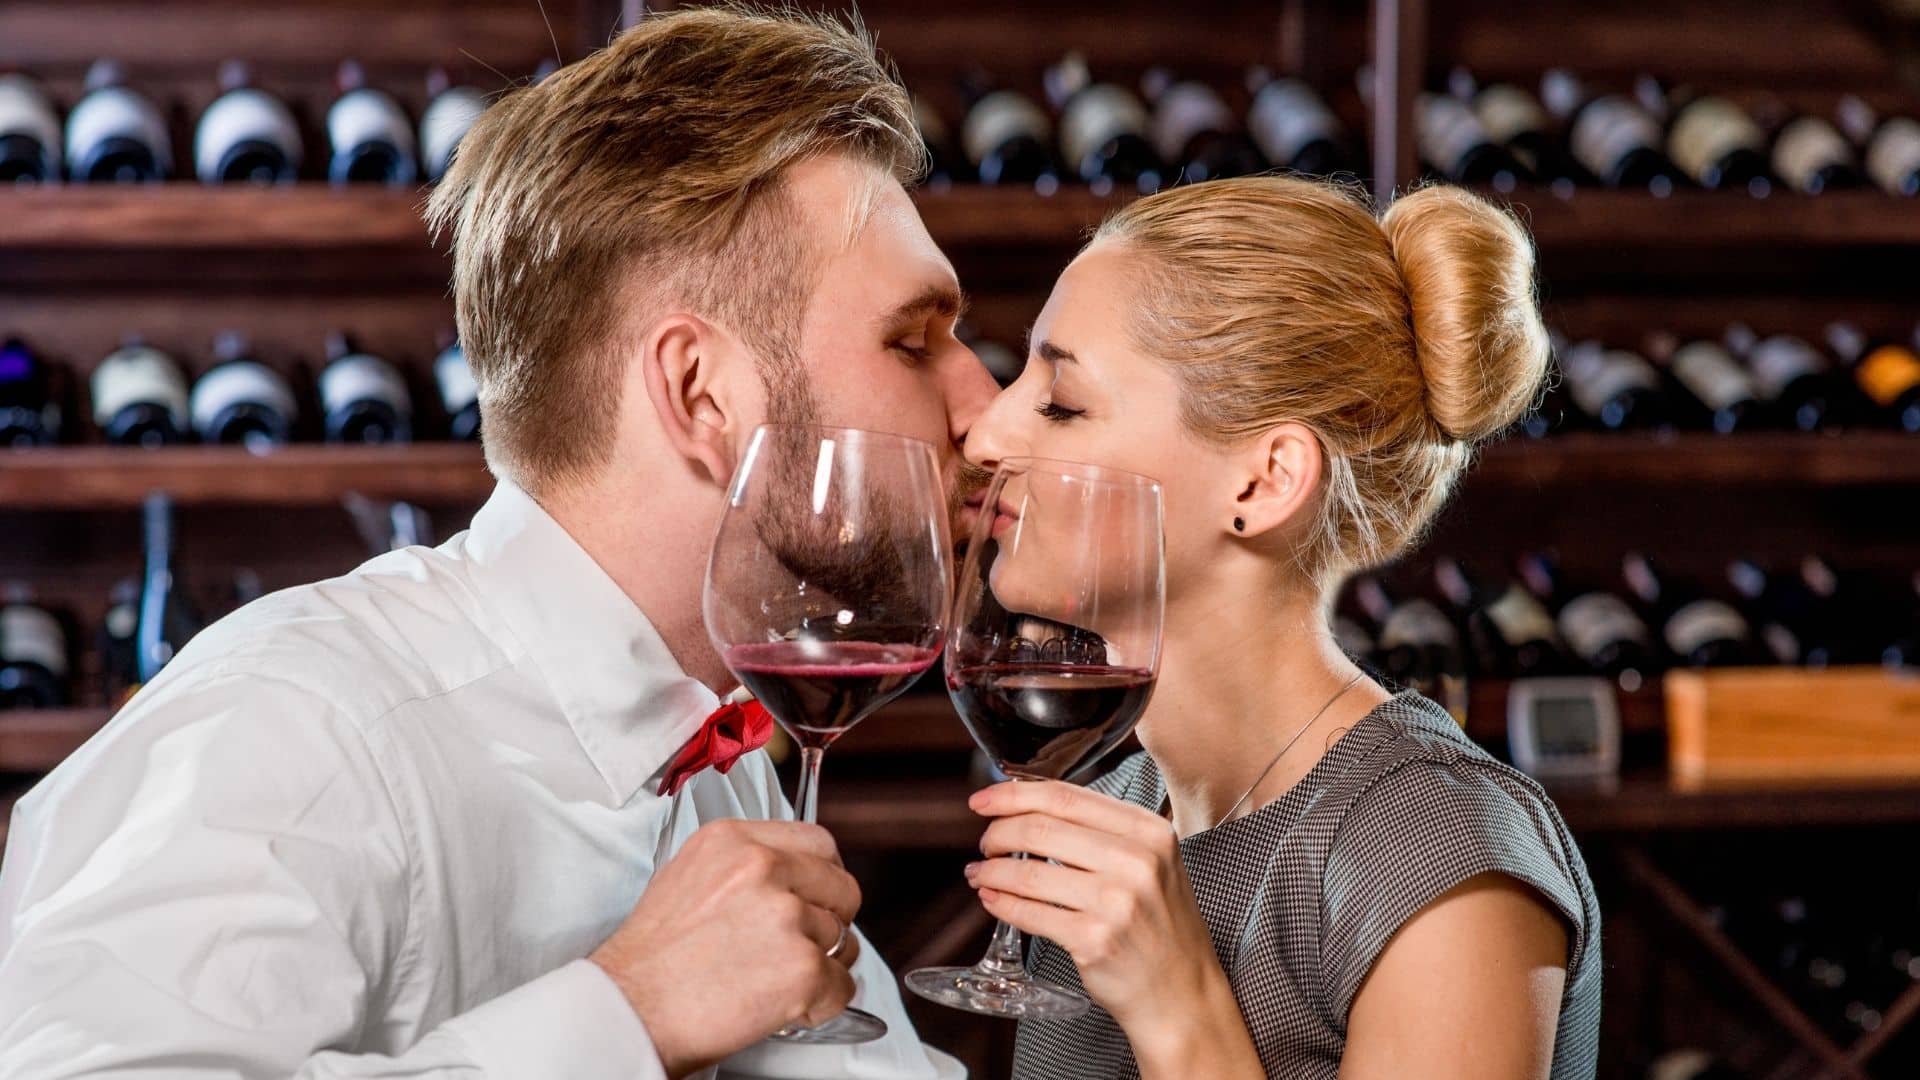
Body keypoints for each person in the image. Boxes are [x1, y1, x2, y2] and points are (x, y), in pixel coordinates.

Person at [0, 8, 995, 1079]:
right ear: (700, 395)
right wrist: (632, 1012)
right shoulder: (295, 727)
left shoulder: (721, 763)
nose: (988, 404)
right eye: (914, 340)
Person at [956, 177, 1600, 1078]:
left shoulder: (1439, 854)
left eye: (1061, 402)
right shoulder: (1117, 818)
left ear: (1262, 483)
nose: (984, 434)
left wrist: (1180, 1011)